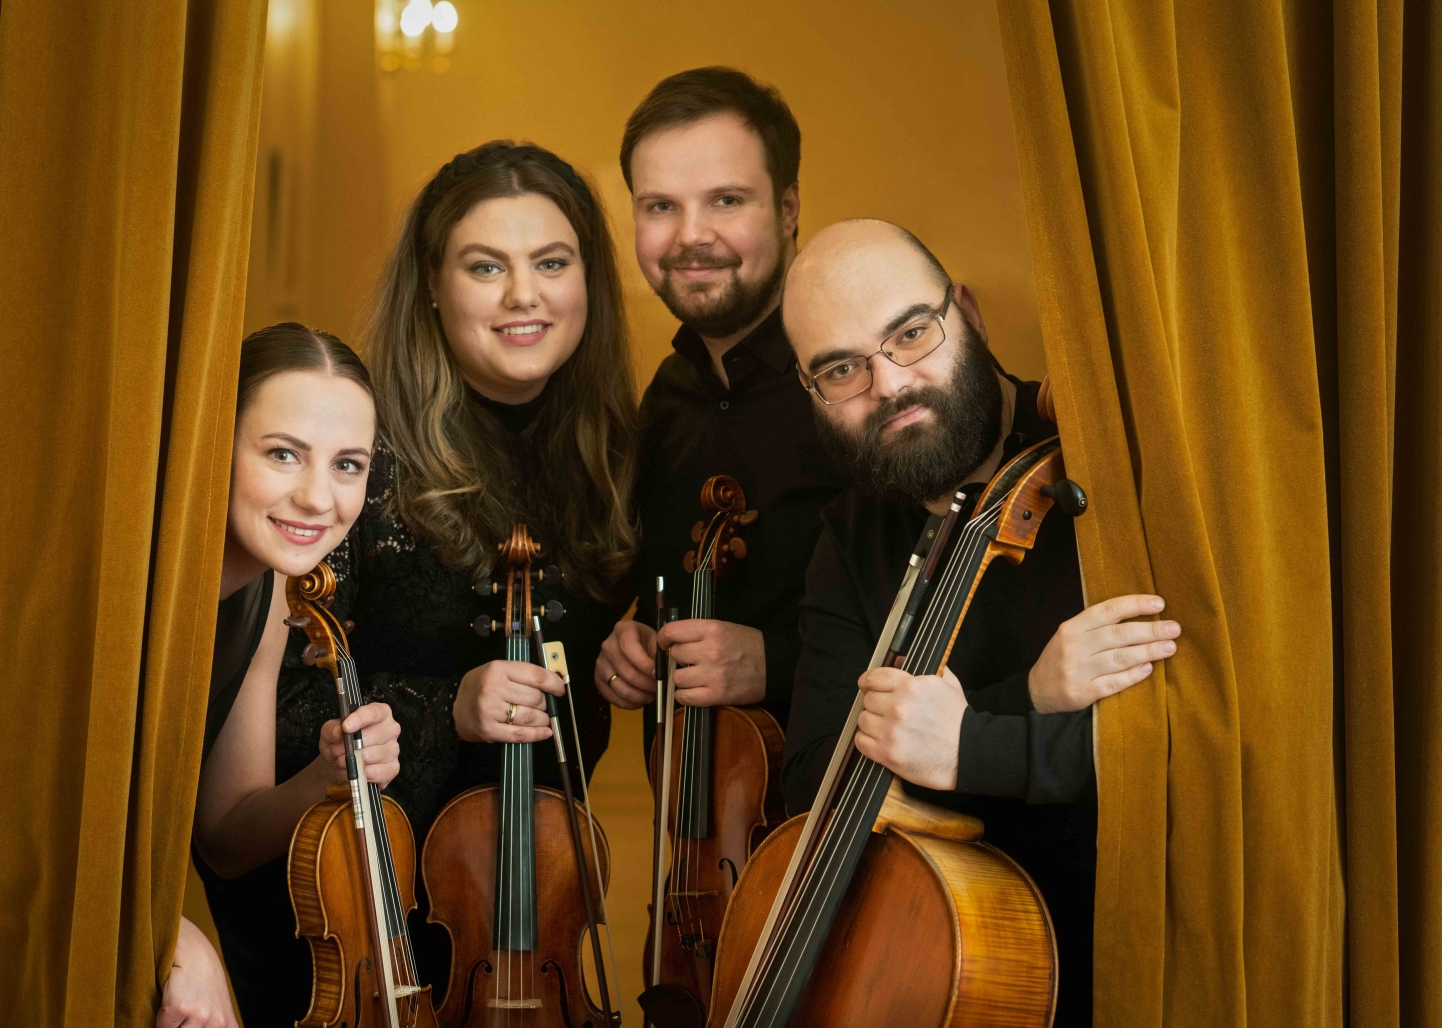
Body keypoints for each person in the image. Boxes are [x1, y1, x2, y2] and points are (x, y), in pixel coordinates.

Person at [780, 219, 1183, 1027]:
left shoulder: (1104, 470)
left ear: (965, 310)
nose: (889, 384)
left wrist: (970, 746)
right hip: (930, 982)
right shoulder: (852, 536)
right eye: (842, 369)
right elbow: (816, 781)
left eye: (910, 333)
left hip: (1135, 962)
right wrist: (1028, 697)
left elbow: (1185, 743)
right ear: (812, 390)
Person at [272, 141, 639, 1012]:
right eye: (487, 266)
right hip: (377, 919)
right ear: (433, 284)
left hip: (535, 919)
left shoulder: (615, 455)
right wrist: (449, 707)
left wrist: (630, 654)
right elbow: (280, 717)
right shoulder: (365, 455)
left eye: (552, 262)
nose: (525, 295)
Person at [595, 67, 846, 749]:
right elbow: (650, 588)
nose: (690, 236)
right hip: (701, 832)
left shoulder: (861, 378)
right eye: (660, 206)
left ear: (789, 208)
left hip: (853, 825)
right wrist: (629, 644)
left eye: (726, 200)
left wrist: (780, 660)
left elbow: (955, 612)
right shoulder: (668, 396)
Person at [161, 322, 401, 1028]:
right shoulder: (137, 596)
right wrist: (176, 937)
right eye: (283, 454)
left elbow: (227, 840)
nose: (317, 499)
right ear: (216, 445)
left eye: (347, 465)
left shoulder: (268, 596)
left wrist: (322, 779)